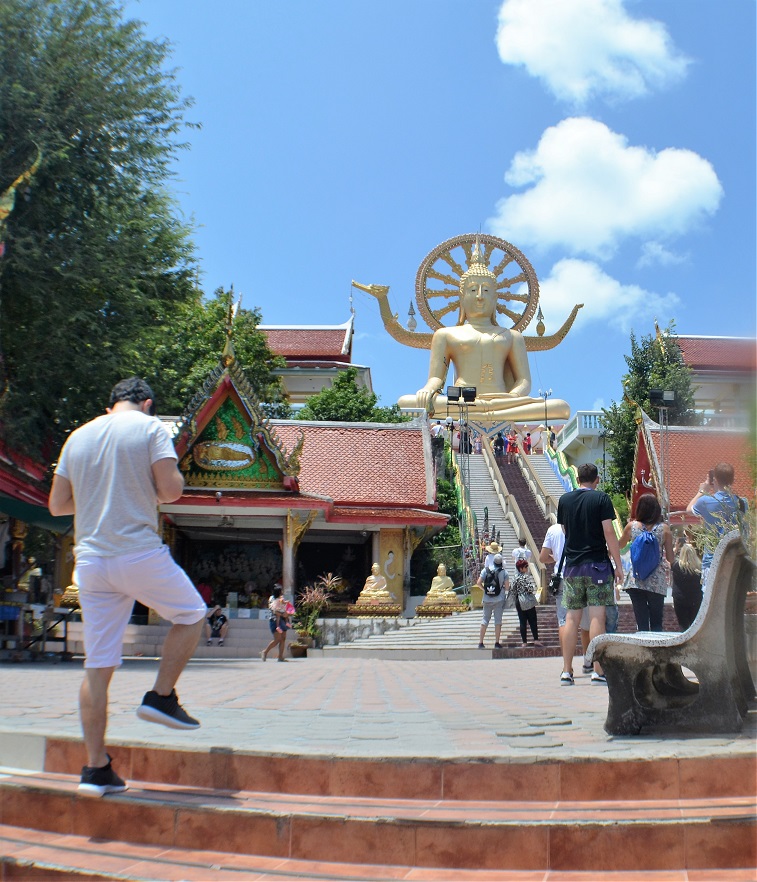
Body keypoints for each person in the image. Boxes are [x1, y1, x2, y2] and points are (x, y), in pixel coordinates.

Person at [48, 377, 206, 797]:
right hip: (136, 552)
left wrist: (99, 495)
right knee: (191, 615)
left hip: (91, 562)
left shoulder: (78, 436)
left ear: (110, 405)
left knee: (98, 665)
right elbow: (171, 491)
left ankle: (95, 769)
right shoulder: (151, 428)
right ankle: (161, 696)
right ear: (147, 403)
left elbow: (58, 504)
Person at [394, 243, 570, 422]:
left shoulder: (512, 336)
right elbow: (436, 378)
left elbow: (524, 381)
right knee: (405, 402)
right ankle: (487, 412)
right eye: (472, 290)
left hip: (503, 401)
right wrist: (428, 390)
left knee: (560, 407)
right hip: (462, 401)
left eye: (486, 290)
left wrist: (513, 396)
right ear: (462, 297)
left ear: (495, 297)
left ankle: (486, 411)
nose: (479, 296)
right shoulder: (445, 334)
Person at [556, 463, 623, 685]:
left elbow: (565, 531)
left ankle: (567, 671)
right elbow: (609, 531)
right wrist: (618, 565)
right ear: (597, 480)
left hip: (573, 566)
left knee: (571, 618)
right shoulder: (601, 499)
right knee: (597, 617)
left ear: (577, 479)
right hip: (597, 565)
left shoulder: (565, 500)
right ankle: (597, 670)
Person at [618, 494, 674, 632]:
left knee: (641, 624)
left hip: (636, 580)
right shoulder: (664, 529)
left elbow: (619, 546)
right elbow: (670, 558)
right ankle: (656, 645)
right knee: (656, 624)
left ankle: (642, 643)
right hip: (657, 581)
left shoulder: (631, 527)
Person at [686, 462, 748, 586]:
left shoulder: (705, 502)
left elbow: (689, 510)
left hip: (712, 560)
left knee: (710, 596)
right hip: (735, 560)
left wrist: (702, 491)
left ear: (714, 480)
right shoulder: (742, 503)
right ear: (733, 480)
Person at [476, 553, 509, 649]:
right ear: (501, 563)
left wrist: (485, 590)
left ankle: (481, 642)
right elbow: (507, 587)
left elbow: (478, 583)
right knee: (498, 621)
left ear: (493, 561)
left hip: (487, 599)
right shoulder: (504, 572)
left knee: (485, 619)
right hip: (499, 599)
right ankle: (497, 643)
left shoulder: (485, 570)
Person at [671, 542, 703, 631]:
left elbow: (668, 560)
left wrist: (675, 549)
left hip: (680, 598)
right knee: (694, 624)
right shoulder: (699, 567)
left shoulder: (676, 566)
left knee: (683, 624)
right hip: (695, 598)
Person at [510, 558, 541, 646]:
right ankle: (536, 639)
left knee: (522, 621)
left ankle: (524, 642)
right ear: (521, 568)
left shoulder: (514, 578)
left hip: (518, 600)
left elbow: (512, 590)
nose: (527, 568)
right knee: (532, 620)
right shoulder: (525, 577)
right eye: (525, 567)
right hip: (527, 600)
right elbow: (530, 588)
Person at [261, 586, 290, 661]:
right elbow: (274, 610)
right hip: (275, 620)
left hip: (283, 620)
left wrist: (286, 613)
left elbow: (284, 607)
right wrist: (282, 614)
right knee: (277, 639)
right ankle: (265, 652)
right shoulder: (272, 599)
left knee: (283, 638)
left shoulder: (281, 598)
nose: (282, 592)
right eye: (281, 591)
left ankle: (280, 657)